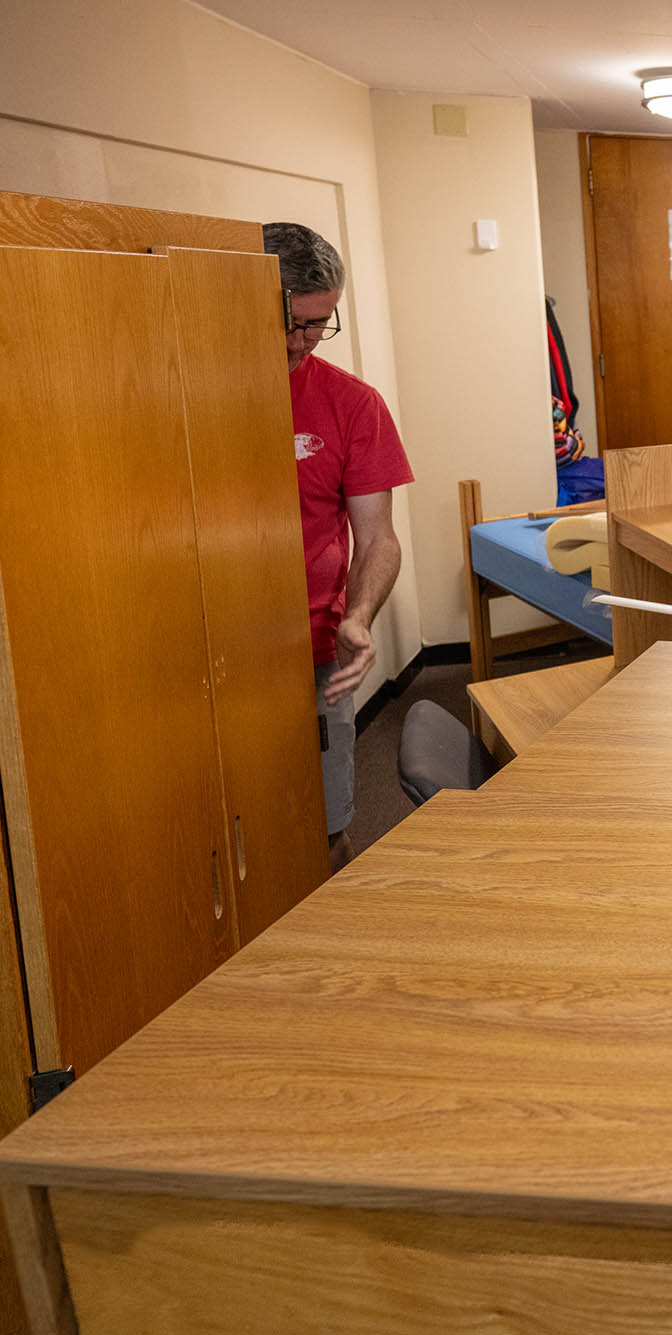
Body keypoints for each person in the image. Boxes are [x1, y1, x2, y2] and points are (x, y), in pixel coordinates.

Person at [262, 222, 414, 872]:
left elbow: (378, 539)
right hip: (218, 661)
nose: (303, 342)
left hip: (320, 651)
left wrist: (359, 615)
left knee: (328, 834)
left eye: (319, 324)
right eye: (292, 324)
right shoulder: (189, 394)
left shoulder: (353, 405)